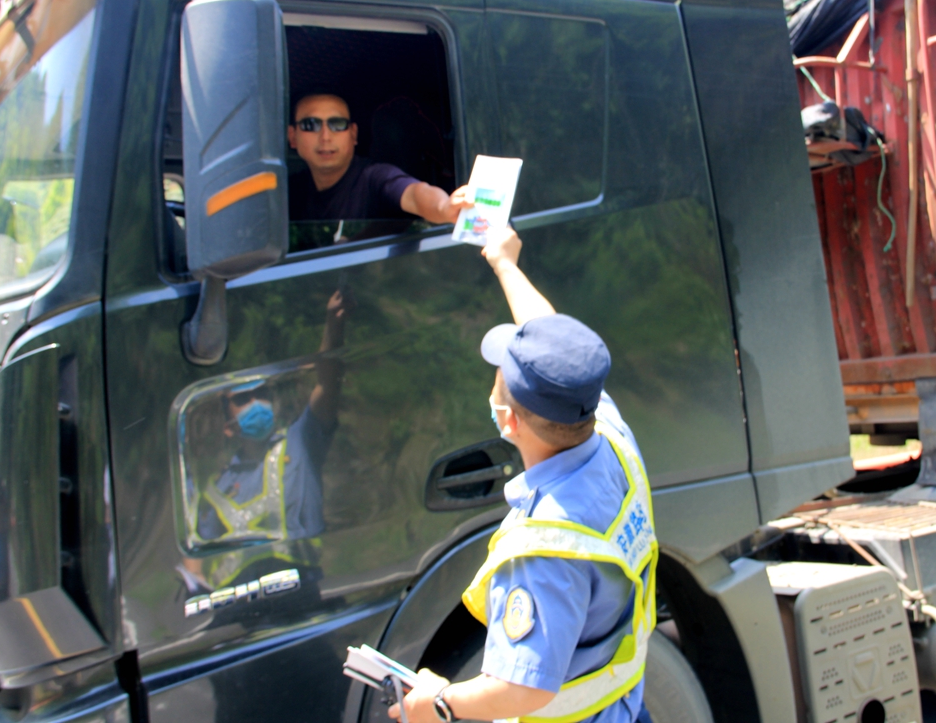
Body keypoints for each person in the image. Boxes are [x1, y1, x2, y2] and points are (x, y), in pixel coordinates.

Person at [390, 227, 657, 723]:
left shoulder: (543, 546)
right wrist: (505, 263)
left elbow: (521, 688)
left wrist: (439, 703)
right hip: (626, 707)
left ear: (507, 421)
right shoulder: (607, 432)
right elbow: (553, 338)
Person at [178, 289, 349, 593]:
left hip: (300, 589)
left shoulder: (301, 442)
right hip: (238, 603)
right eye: (243, 399)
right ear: (228, 426)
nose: (256, 403)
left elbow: (327, 382)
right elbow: (196, 556)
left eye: (262, 394)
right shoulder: (215, 489)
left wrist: (333, 323)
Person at [287, 93, 470, 224]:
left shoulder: (375, 177)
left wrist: (443, 207)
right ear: (292, 136)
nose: (325, 136)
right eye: (310, 125)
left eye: (338, 124)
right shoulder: (290, 189)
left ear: (353, 134)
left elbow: (414, 194)